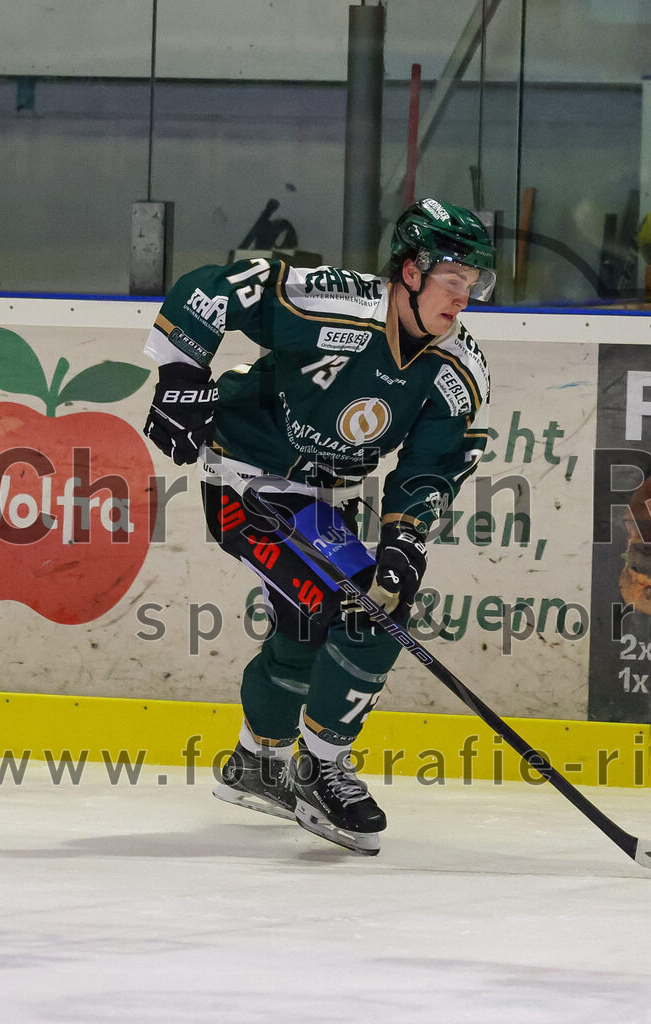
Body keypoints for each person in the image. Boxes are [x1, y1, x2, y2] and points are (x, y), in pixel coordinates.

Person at [142, 198, 496, 855]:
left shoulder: (457, 373)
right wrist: (180, 376)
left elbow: (429, 470)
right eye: (453, 280)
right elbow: (211, 291)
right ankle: (320, 767)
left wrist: (403, 544)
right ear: (411, 272)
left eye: (473, 286)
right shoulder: (332, 302)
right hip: (248, 477)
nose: (463, 299)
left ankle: (257, 762)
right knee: (364, 609)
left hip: (319, 497)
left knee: (309, 625)